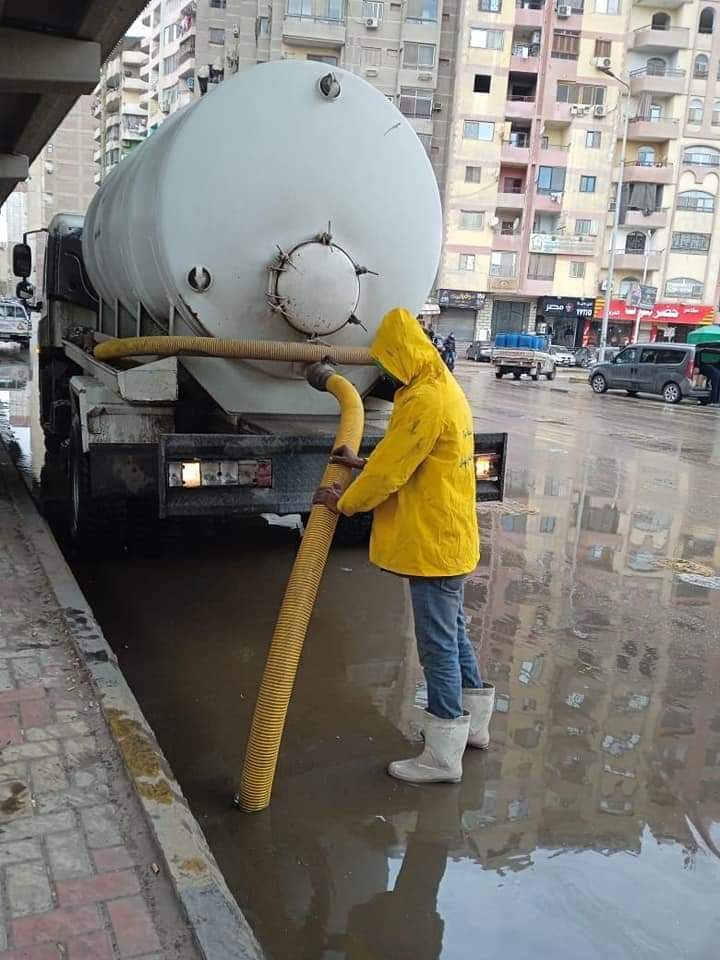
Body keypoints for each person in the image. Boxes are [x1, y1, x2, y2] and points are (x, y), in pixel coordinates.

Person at [312, 307, 495, 784]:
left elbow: (393, 472)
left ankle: (442, 756)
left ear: (403, 354)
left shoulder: (424, 399)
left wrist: (343, 503)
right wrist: (359, 463)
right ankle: (474, 729)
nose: (386, 370)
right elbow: (411, 456)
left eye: (388, 360)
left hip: (433, 543)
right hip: (450, 538)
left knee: (437, 646)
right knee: (454, 634)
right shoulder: (438, 386)